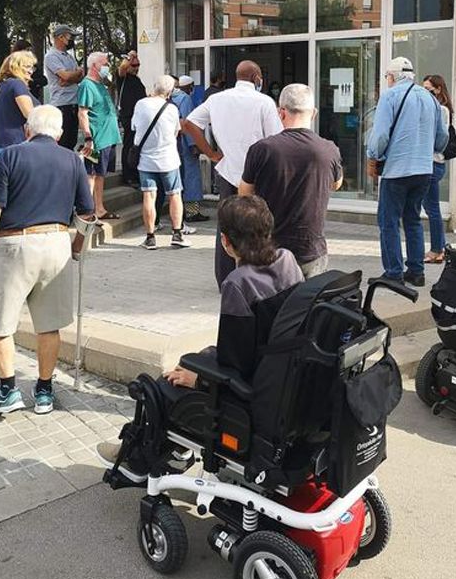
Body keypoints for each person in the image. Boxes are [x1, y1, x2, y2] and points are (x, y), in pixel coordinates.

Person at [94, 195, 303, 479]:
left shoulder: (238, 284)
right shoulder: (287, 260)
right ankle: (175, 449)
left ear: (226, 242)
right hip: (281, 370)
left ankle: (138, 459)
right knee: (192, 360)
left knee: (162, 385)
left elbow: (235, 363)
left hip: (252, 388)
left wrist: (200, 380)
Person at [0, 105, 95, 416]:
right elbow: (86, 214)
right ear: (58, 134)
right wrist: (76, 247)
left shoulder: (11, 155)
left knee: (1, 323)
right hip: (57, 242)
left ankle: (7, 390)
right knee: (49, 325)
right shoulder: (73, 160)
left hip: (14, 243)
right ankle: (44, 390)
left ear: (27, 130)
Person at [181, 60, 281, 287]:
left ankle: (226, 279)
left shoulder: (216, 100)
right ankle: (256, 277)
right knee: (259, 225)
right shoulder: (264, 101)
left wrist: (211, 153)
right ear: (257, 78)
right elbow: (276, 139)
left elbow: (189, 124)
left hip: (227, 171)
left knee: (226, 225)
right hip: (257, 175)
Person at [240, 83, 343, 279]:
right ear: (313, 113)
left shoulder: (262, 149)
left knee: (273, 307)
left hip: (270, 248)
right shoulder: (328, 149)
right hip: (311, 248)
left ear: (281, 113)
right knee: (308, 307)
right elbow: (336, 184)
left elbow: (244, 194)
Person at [366, 57, 447, 287]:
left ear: (392, 77)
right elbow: (442, 138)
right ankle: (416, 271)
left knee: (388, 221)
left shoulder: (390, 96)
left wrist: (373, 155)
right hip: (424, 169)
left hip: (397, 170)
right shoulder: (430, 98)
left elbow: (380, 135)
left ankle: (393, 272)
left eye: (387, 77)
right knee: (412, 219)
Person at [132, 75, 191, 250]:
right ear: (170, 91)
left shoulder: (140, 104)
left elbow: (134, 127)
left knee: (149, 196)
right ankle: (177, 234)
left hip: (146, 160)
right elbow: (175, 132)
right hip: (169, 160)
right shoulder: (172, 109)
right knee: (175, 195)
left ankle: (150, 237)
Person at [77, 51, 123, 220]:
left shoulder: (100, 85)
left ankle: (99, 209)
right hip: (97, 138)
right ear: (95, 66)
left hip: (108, 137)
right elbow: (82, 113)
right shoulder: (87, 85)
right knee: (91, 175)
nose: (107, 66)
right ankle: (87, 211)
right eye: (105, 63)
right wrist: (88, 137)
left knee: (100, 174)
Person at [421, 74, 454, 265]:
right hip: (433, 162)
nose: (425, 93)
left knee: (432, 209)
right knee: (431, 208)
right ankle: (440, 248)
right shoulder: (435, 108)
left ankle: (437, 250)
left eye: (428, 89)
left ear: (438, 90)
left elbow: (439, 138)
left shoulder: (440, 110)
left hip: (433, 163)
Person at [0, 50, 39, 167]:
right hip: (16, 142)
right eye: (27, 67)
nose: (31, 71)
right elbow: (30, 114)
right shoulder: (17, 85)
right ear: (15, 66)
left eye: (32, 67)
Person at [172, 75, 208, 223]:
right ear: (188, 86)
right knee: (191, 178)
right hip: (186, 145)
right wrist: (194, 144)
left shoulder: (171, 98)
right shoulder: (185, 99)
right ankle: (192, 212)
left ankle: (180, 210)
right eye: (192, 85)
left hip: (175, 144)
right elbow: (187, 124)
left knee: (180, 178)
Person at [43, 24, 85, 151]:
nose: (73, 40)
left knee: (72, 141)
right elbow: (65, 76)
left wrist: (72, 77)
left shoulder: (69, 56)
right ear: (60, 37)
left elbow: (80, 76)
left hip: (73, 103)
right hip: (62, 105)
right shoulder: (52, 56)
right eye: (70, 37)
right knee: (62, 142)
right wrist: (73, 75)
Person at [116, 51, 146, 188]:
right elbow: (122, 68)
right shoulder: (123, 78)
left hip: (139, 117)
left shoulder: (137, 80)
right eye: (133, 65)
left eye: (138, 65)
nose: (136, 67)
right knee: (128, 145)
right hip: (129, 116)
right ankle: (128, 175)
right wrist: (130, 56)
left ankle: (135, 173)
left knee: (137, 145)